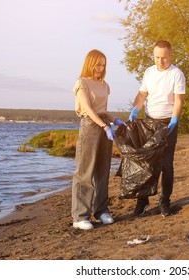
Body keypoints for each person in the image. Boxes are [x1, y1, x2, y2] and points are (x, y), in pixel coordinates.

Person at [128, 40, 186, 217]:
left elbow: (178, 100)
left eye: (164, 58)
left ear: (171, 55)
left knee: (166, 165)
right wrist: (135, 109)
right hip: (150, 122)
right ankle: (142, 201)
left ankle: (164, 201)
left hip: (168, 123)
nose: (161, 61)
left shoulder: (177, 74)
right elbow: (142, 94)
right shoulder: (149, 72)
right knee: (147, 163)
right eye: (157, 57)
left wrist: (174, 119)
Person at [71, 49, 126, 230]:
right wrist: (104, 126)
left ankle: (101, 210)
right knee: (85, 172)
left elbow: (102, 109)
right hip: (90, 127)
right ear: (90, 63)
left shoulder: (104, 85)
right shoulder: (82, 84)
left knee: (102, 172)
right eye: (98, 64)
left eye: (103, 65)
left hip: (104, 126)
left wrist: (114, 120)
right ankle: (80, 216)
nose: (100, 68)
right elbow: (88, 109)